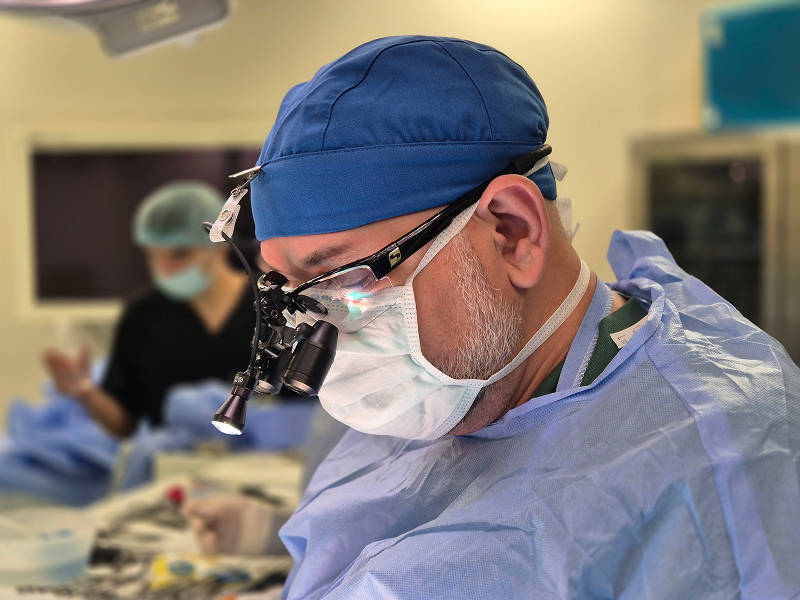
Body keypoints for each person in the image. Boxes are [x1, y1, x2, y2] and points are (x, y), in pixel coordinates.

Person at [196, 36, 800, 598]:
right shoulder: (445, 385)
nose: (319, 330)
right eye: (290, 289)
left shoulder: (721, 471)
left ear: (513, 232)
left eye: (345, 279)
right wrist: (267, 532)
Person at [43, 181, 254, 438]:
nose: (165, 269)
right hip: (171, 458)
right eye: (153, 255)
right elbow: (125, 424)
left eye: (180, 253)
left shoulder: (272, 306)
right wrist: (86, 392)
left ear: (220, 242)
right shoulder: (143, 316)